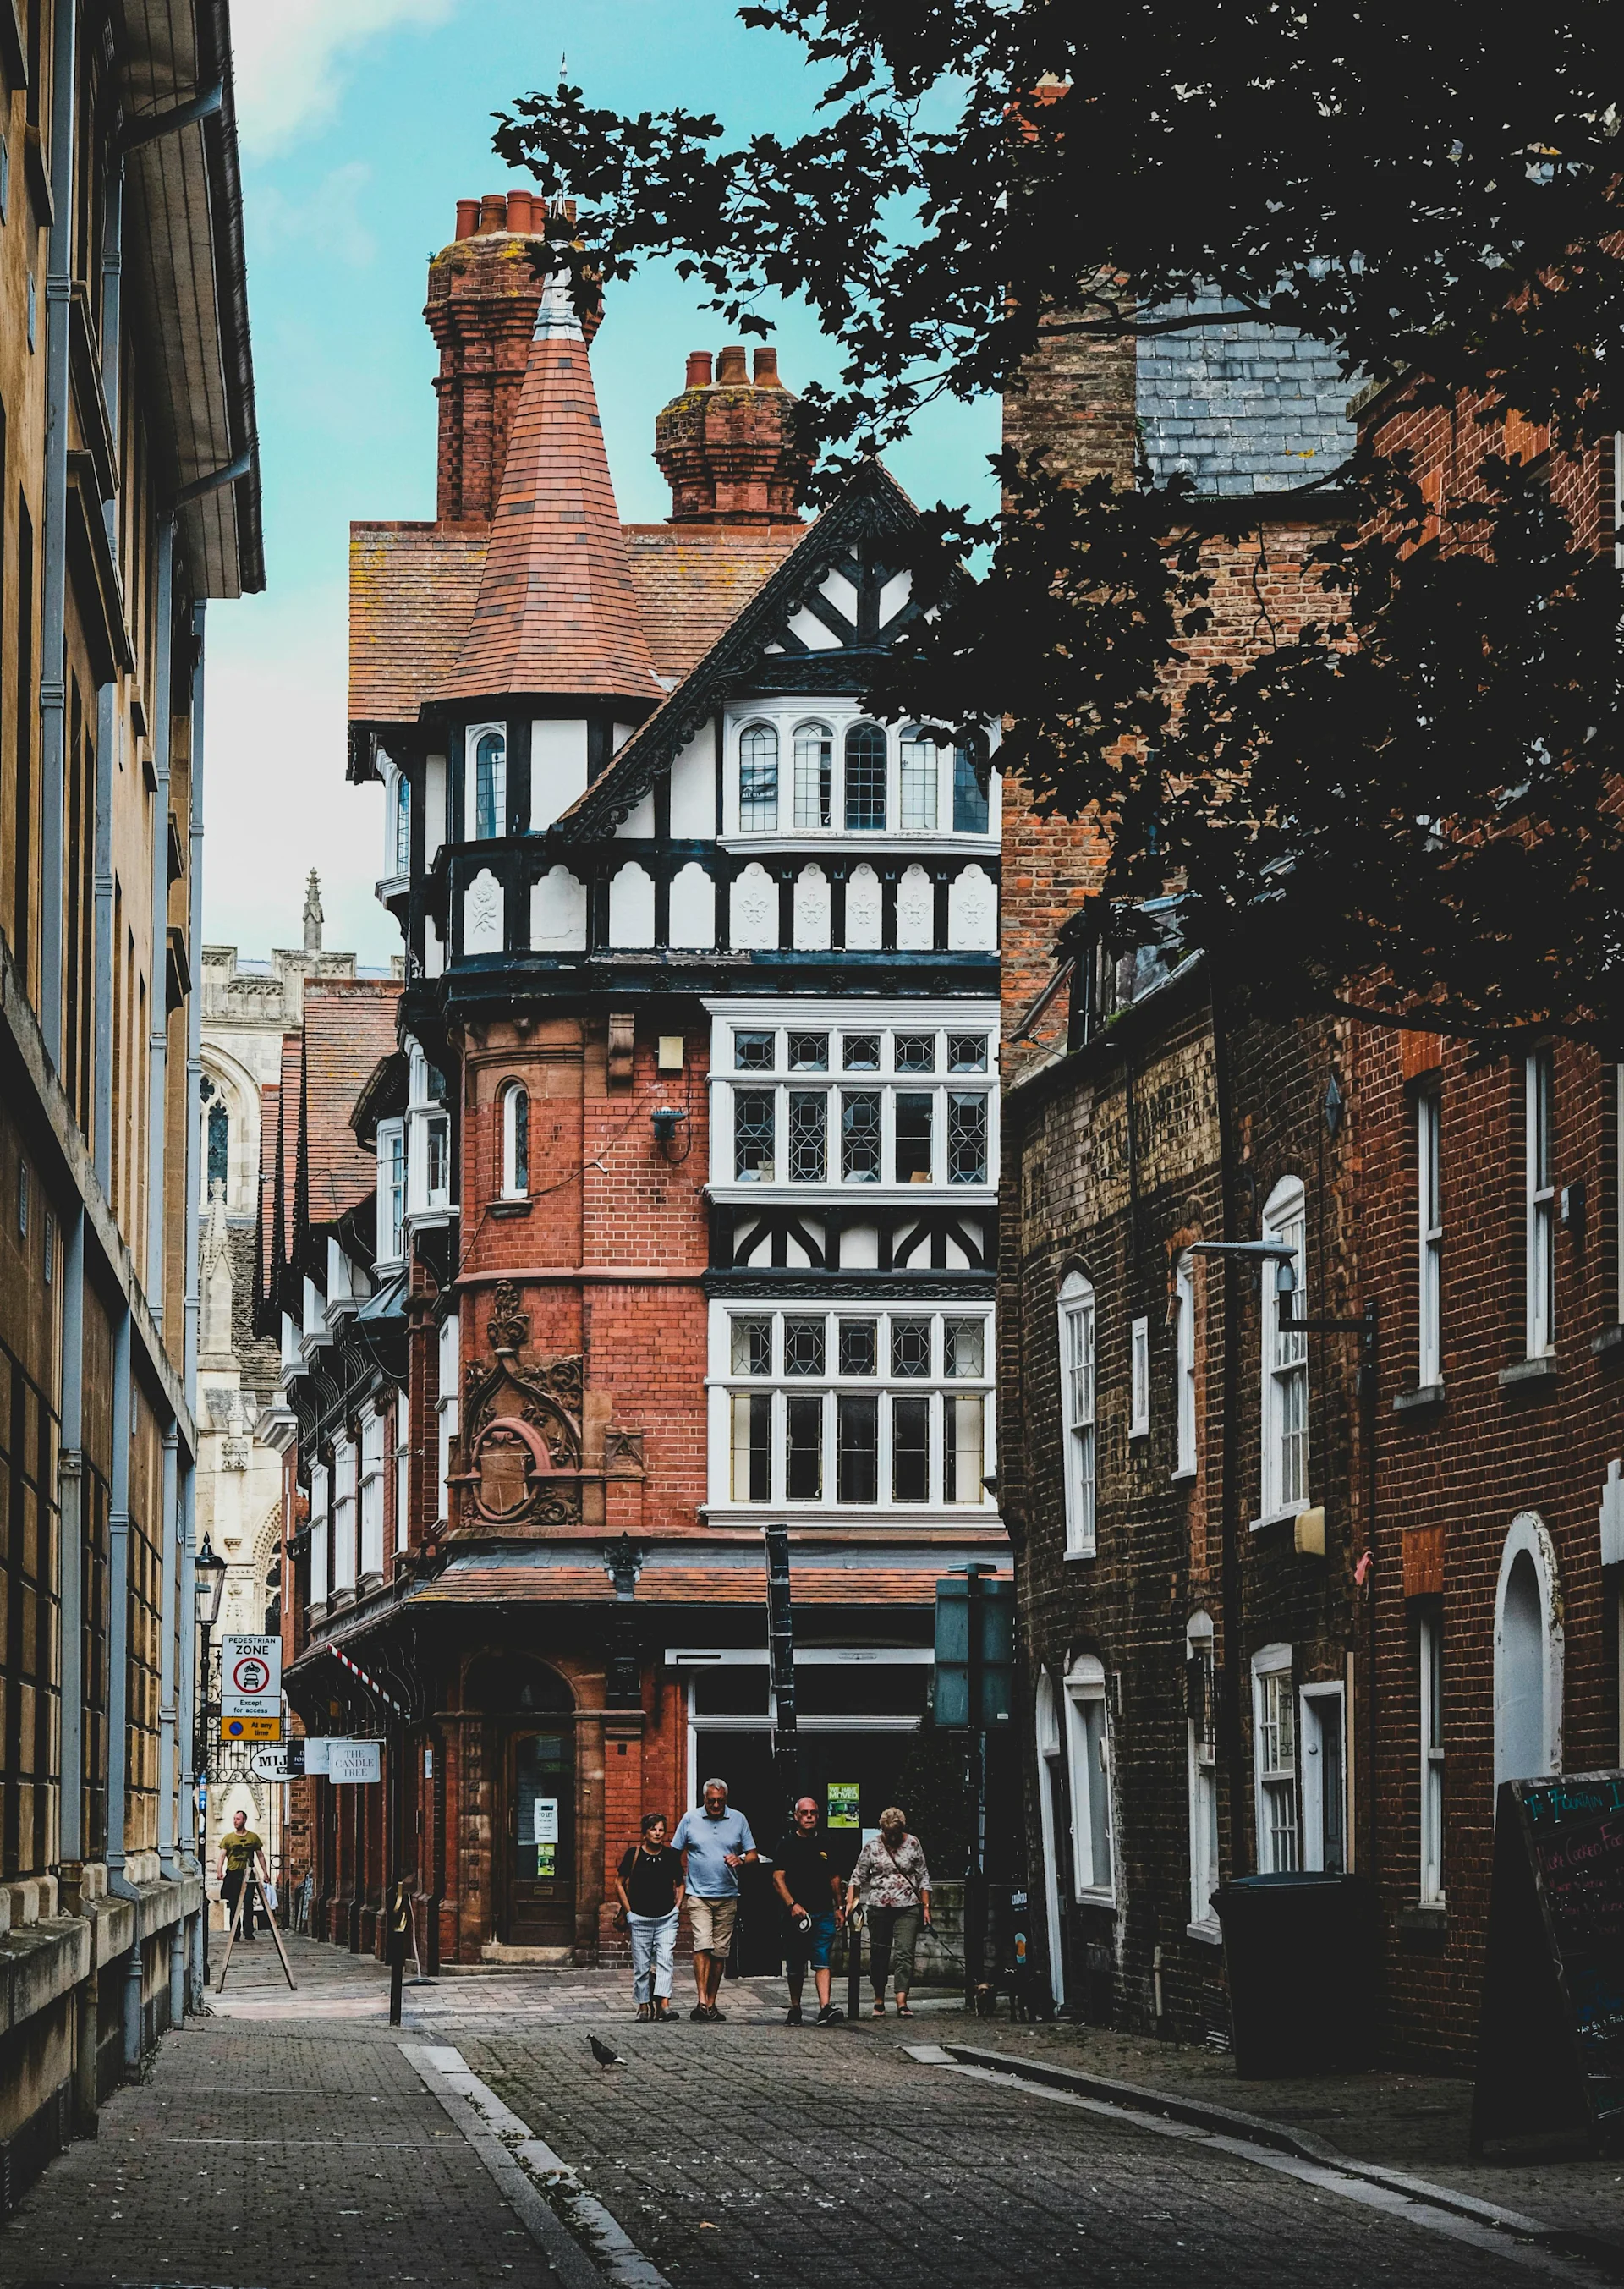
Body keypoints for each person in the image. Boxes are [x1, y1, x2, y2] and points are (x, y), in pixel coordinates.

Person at [672, 1777, 757, 2021]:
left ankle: (711, 2002)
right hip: (698, 1894)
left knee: (720, 1952)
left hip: (728, 1895)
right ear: (704, 1800)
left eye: (721, 1801)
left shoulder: (738, 1819)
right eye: (712, 1801)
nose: (716, 1805)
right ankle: (700, 2001)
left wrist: (740, 1860)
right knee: (703, 1945)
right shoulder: (690, 1819)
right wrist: (679, 1882)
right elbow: (674, 1853)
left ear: (726, 1800)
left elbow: (753, 1855)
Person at [847, 1806, 931, 2018]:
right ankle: (878, 2000)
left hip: (908, 1905)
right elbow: (857, 1876)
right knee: (879, 1954)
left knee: (905, 1953)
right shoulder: (873, 1845)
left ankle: (902, 2000)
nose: (892, 1838)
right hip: (879, 1906)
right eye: (887, 1833)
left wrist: (926, 1907)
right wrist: (851, 1903)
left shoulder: (913, 1843)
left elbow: (923, 1877)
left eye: (895, 1833)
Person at [771, 1794, 846, 2026]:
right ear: (796, 1816)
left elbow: (834, 1877)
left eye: (813, 1813)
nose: (809, 1817)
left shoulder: (827, 1843)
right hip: (796, 1915)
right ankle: (795, 2007)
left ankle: (825, 2007)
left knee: (822, 1958)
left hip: (823, 1910)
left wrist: (839, 1906)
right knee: (795, 1963)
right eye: (804, 1813)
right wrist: (792, 1905)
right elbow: (777, 1878)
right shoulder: (786, 1845)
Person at [615, 1812, 686, 2022]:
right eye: (653, 1829)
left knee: (665, 1960)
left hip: (666, 1918)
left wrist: (677, 1908)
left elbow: (680, 1883)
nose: (657, 1833)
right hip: (640, 1918)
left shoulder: (671, 1856)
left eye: (661, 1829)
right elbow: (619, 1883)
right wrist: (629, 1912)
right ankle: (643, 2006)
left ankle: (664, 2005)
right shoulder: (633, 1854)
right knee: (642, 1964)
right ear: (645, 1832)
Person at [217, 1809, 270, 1942]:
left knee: (248, 1903)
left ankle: (248, 1931)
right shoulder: (229, 1838)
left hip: (248, 1873)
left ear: (244, 1820)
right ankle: (235, 1932)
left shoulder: (253, 1837)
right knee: (234, 1904)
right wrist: (219, 1871)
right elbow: (222, 1855)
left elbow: (260, 1855)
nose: (235, 1821)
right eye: (234, 1819)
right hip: (233, 1873)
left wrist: (265, 1873)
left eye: (238, 1819)